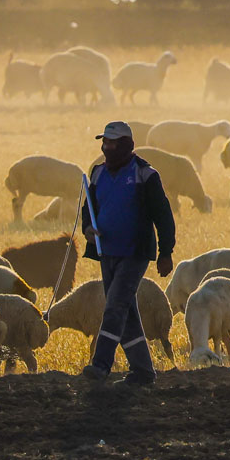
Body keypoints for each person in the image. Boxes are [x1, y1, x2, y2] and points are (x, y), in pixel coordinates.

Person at [80, 120, 176, 387]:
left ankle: (100, 365)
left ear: (125, 145)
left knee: (114, 306)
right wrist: (88, 227)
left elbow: (163, 215)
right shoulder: (97, 173)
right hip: (106, 252)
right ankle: (143, 371)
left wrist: (165, 251)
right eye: (104, 142)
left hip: (135, 252)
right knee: (126, 311)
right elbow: (89, 207)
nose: (106, 147)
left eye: (112, 143)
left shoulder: (145, 175)